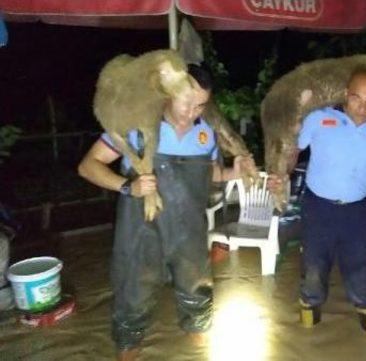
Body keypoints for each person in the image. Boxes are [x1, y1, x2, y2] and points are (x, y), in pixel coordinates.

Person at [78, 64, 251, 361]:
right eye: (186, 102)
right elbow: (88, 165)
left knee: (197, 282)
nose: (191, 112)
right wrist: (126, 186)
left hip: (189, 229)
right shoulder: (136, 127)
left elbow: (209, 175)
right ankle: (129, 340)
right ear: (168, 94)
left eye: (200, 105)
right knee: (134, 285)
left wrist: (232, 173)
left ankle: (196, 326)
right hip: (142, 229)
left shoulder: (206, 135)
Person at [268, 67, 366, 335]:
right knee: (314, 263)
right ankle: (309, 312)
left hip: (357, 209)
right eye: (357, 98)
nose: (362, 107)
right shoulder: (320, 119)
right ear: (346, 94)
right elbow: (292, 150)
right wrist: (280, 174)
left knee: (362, 264)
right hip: (318, 206)